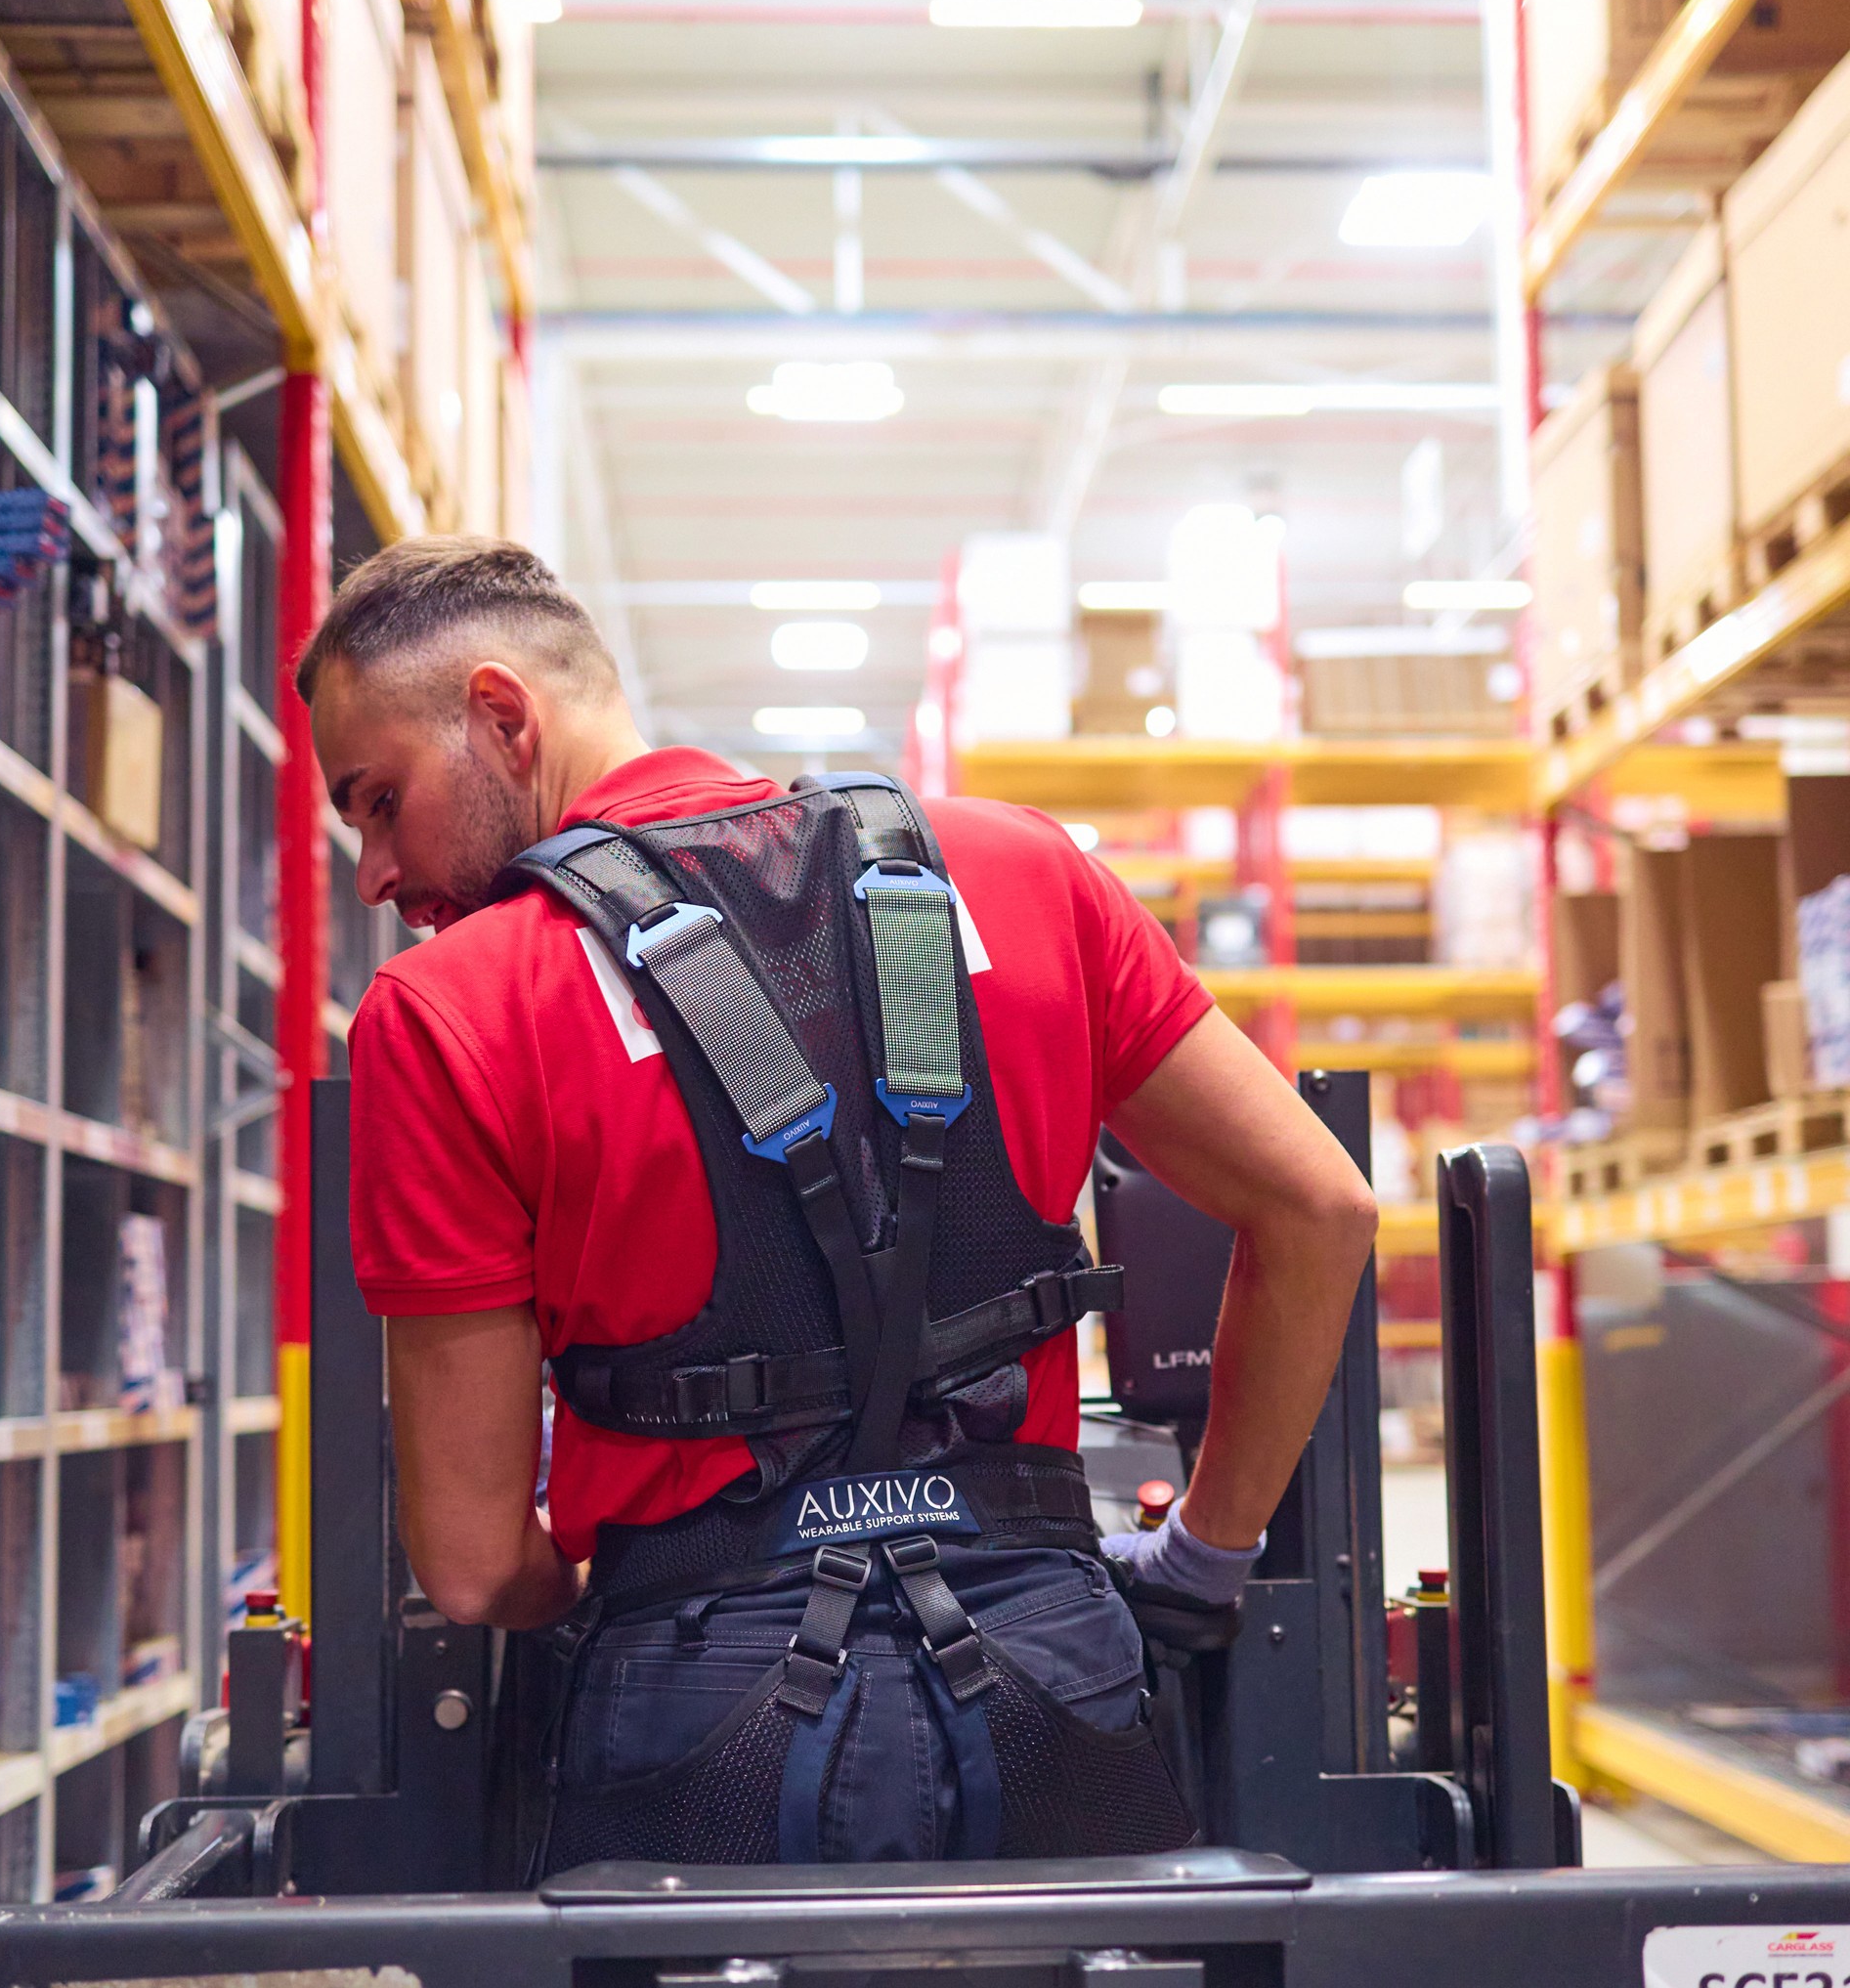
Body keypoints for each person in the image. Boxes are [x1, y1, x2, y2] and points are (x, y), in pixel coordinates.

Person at [303, 534, 1377, 1869]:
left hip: (694, 1703)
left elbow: (469, 1568)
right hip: (1051, 1660)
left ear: (503, 719)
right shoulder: (1024, 875)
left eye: (377, 800)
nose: (373, 873)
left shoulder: (450, 1011)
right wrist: (1206, 1564)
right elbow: (1321, 1210)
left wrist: (611, 1591)